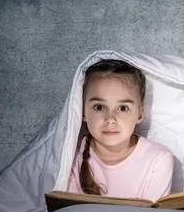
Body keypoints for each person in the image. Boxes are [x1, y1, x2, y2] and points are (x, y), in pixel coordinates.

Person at [67, 59, 173, 201]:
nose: (110, 119)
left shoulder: (158, 158)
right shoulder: (70, 155)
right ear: (83, 112)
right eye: (99, 107)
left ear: (140, 115)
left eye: (122, 108)